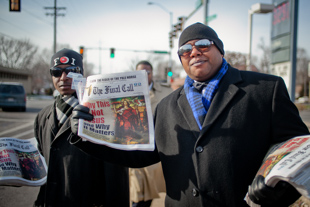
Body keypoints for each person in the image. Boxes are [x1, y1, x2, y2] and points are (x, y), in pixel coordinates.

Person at [69, 23, 309, 206]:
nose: (194, 52)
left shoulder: (266, 89)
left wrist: (280, 187)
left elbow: (297, 146)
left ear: (219, 49)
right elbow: (138, 154)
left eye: (203, 44)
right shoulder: (166, 106)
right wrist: (86, 134)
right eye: (185, 49)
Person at [34, 48, 129, 207]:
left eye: (71, 71)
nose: (64, 77)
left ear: (82, 75)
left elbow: (115, 175)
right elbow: (42, 168)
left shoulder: (101, 112)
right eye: (56, 72)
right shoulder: (42, 117)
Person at [130, 61, 172, 207]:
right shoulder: (126, 91)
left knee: (149, 190)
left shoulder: (166, 91)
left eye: (147, 72)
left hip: (154, 145)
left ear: (152, 73)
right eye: (140, 72)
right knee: (136, 190)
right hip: (132, 145)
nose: (144, 75)